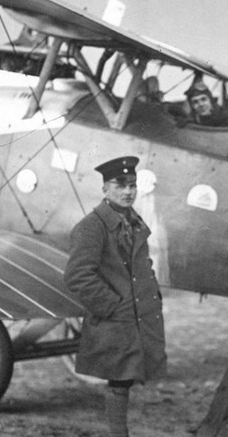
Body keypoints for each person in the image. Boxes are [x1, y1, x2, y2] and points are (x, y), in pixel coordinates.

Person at [63, 156, 166, 437]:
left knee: (125, 380)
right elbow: (78, 277)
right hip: (115, 319)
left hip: (137, 316)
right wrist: (114, 306)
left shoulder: (134, 222)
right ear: (105, 189)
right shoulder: (92, 226)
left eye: (132, 185)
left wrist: (151, 294)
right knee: (118, 381)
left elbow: (143, 265)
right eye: (120, 185)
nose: (128, 191)